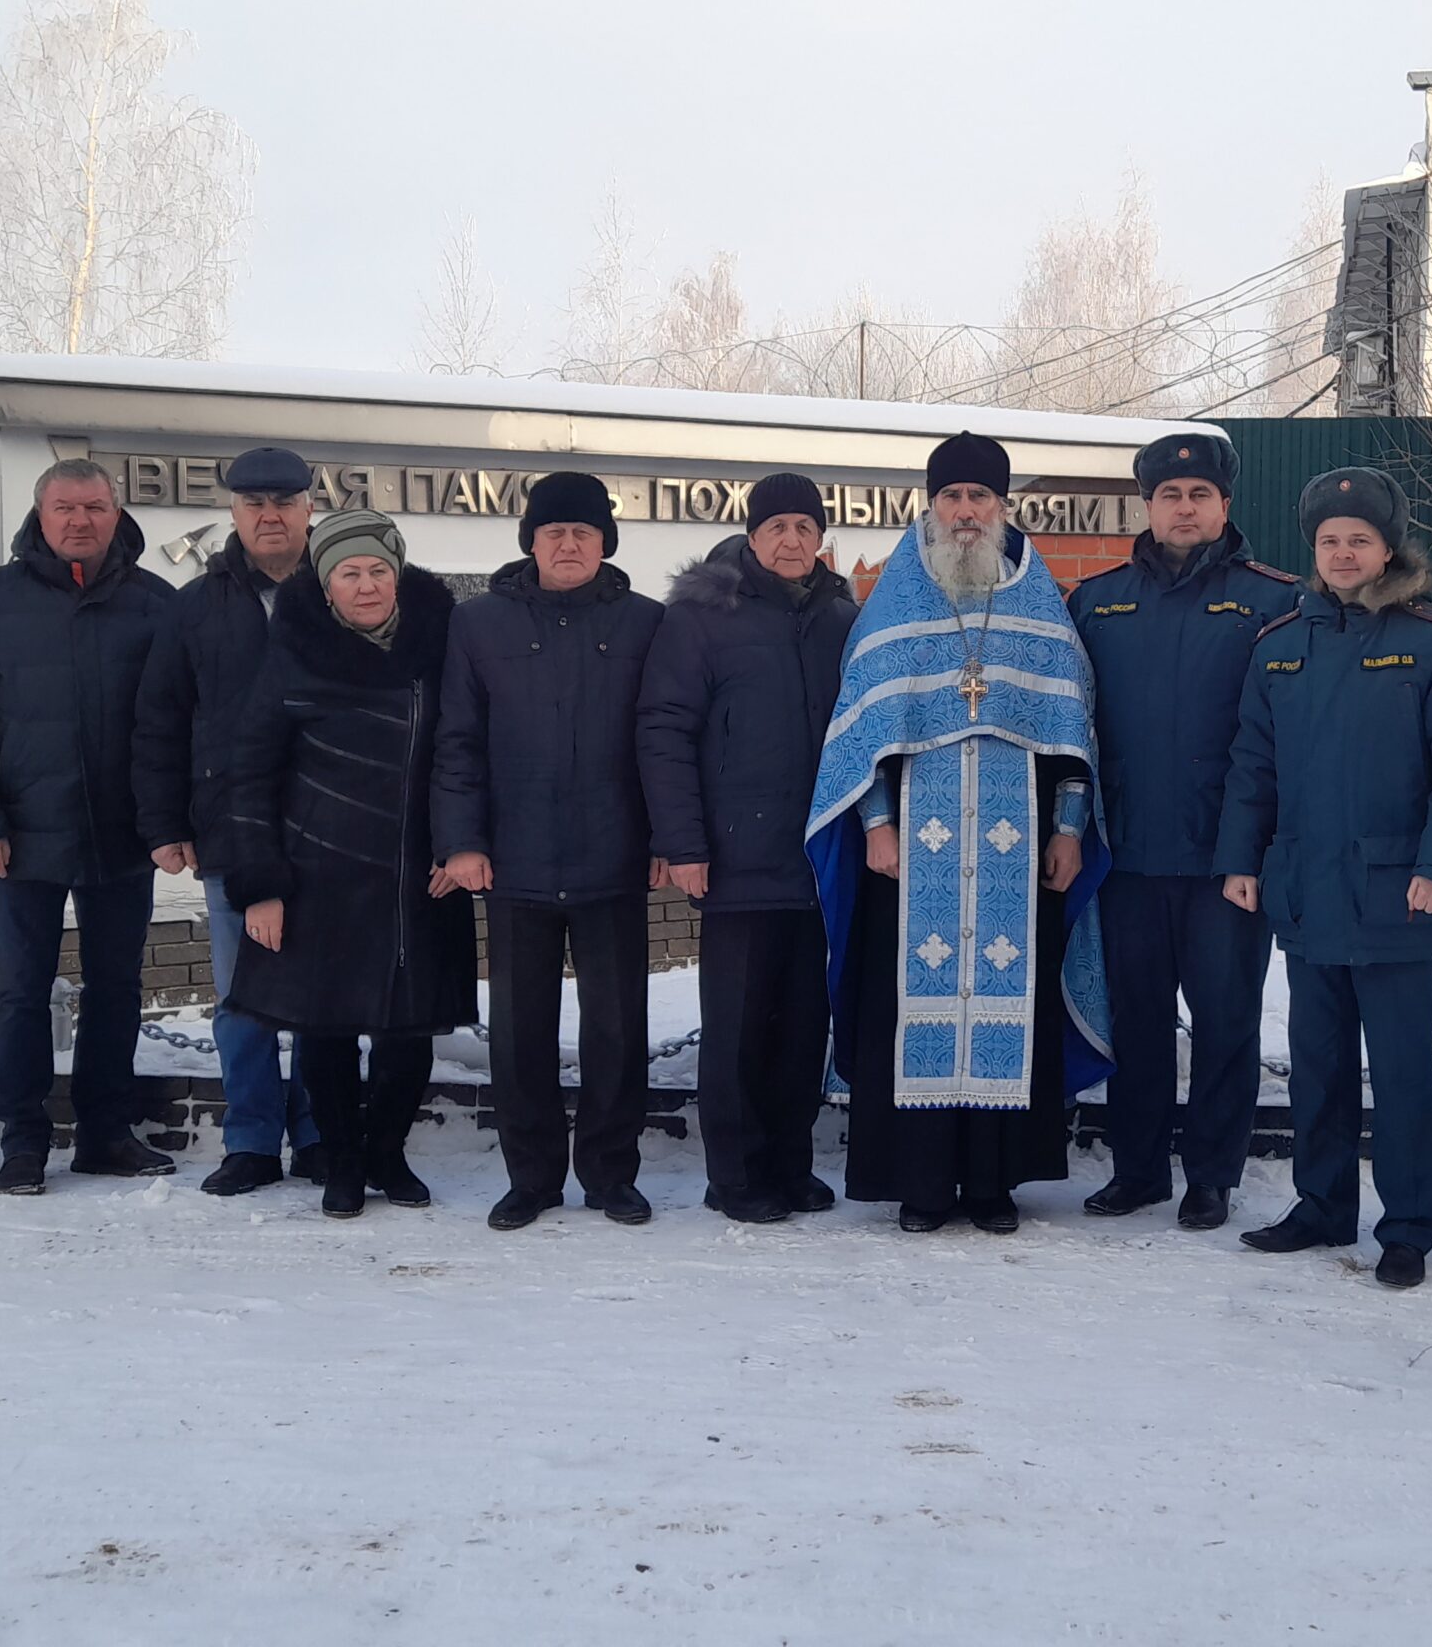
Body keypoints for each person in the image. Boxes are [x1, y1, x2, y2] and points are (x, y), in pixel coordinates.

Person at [806, 432, 1114, 1236]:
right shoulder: (897, 603)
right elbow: (861, 730)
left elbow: (1073, 734)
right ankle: (920, 1182)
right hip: (911, 855)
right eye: (953, 498)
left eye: (981, 497)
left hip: (1019, 851)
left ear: (1003, 507)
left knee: (1016, 1001)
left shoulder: (1042, 605)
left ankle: (993, 1183)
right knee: (908, 1005)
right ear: (932, 506)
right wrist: (875, 826)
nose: (967, 511)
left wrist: (1072, 831)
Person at [1216, 467, 1432, 1289]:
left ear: (1388, 548)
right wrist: (1241, 858)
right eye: (1330, 541)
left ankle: (1407, 1225)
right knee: (1317, 1061)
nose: (1343, 553)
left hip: (1396, 893)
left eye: (1360, 540)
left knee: (1403, 1070)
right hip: (1304, 888)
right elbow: (1251, 765)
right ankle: (1323, 1203)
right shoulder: (1280, 645)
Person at [0, 458, 176, 1194]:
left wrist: (169, 823)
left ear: (115, 511)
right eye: (64, 507)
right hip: (20, 837)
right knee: (23, 992)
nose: (79, 521)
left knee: (117, 989)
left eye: (93, 506)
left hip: (123, 836)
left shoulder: (156, 603)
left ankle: (105, 1134)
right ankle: (23, 1140)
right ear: (40, 513)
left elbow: (175, 723)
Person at [1067, 431, 1295, 1230]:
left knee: (1227, 1019)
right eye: (1171, 495)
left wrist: (1258, 848)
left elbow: (1283, 744)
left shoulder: (1277, 601)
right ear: (1148, 505)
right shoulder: (1096, 601)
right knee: (1136, 1019)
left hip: (1226, 862)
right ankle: (1137, 1169)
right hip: (1127, 857)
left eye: (1200, 495)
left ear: (1225, 505)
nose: (1186, 508)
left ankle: (1212, 1174)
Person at [217, 511, 471, 1219]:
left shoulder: (438, 646)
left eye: (378, 571)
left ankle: (387, 1153)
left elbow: (469, 752)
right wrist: (262, 887)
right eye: (349, 574)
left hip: (418, 876)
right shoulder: (292, 654)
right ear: (326, 586)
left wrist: (460, 843)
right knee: (323, 1030)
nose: (366, 586)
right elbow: (250, 776)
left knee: (407, 1030)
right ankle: (341, 1160)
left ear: (399, 574)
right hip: (316, 874)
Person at [433, 472, 666, 1232]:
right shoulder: (478, 626)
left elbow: (664, 742)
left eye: (585, 533)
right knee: (521, 1031)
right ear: (530, 540)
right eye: (555, 532)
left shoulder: (646, 624)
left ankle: (609, 1174)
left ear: (606, 543)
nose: (569, 545)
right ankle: (530, 1178)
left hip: (614, 856)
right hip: (515, 861)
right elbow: (458, 742)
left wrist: (667, 836)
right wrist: (462, 840)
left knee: (617, 1029)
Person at [637, 473, 859, 1224]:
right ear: (752, 536)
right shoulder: (705, 617)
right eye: (777, 529)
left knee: (803, 1028)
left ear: (820, 537)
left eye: (805, 527)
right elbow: (664, 729)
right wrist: (682, 840)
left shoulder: (839, 616)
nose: (791, 541)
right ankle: (733, 1174)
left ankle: (790, 1166)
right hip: (734, 856)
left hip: (818, 856)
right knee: (735, 1028)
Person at [132, 446, 323, 1195]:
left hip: (329, 828)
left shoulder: (347, 588)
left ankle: (318, 1132)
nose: (269, 515)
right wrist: (162, 822)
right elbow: (160, 721)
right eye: (254, 504)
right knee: (243, 997)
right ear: (235, 514)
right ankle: (250, 1140)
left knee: (323, 996)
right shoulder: (195, 605)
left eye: (284, 502)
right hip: (230, 828)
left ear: (310, 508)